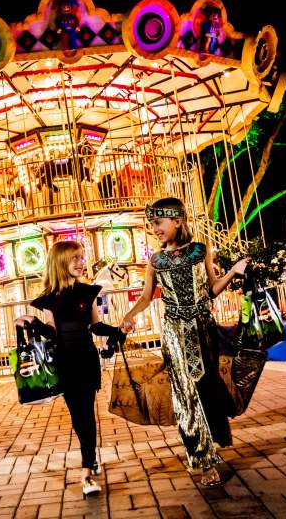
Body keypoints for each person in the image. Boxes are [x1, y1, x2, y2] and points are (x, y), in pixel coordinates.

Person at [120, 197, 248, 487]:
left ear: (177, 221)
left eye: (159, 223)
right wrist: (129, 315)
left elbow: (213, 290)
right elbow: (146, 296)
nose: (155, 229)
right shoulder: (155, 261)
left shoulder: (201, 251)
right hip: (175, 332)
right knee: (185, 394)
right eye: (152, 224)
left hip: (204, 329)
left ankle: (211, 443)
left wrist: (233, 272)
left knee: (206, 388)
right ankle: (202, 460)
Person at [17, 240, 126, 496]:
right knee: (79, 418)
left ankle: (87, 471)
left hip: (87, 361)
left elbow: (96, 326)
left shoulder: (88, 292)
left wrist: (118, 329)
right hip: (65, 365)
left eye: (82, 257)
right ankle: (91, 456)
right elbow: (52, 333)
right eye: (76, 258)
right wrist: (31, 322)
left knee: (87, 416)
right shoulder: (49, 300)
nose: (81, 262)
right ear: (60, 262)